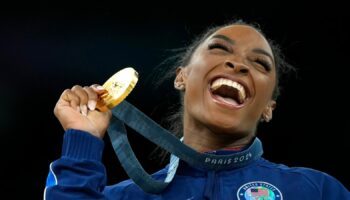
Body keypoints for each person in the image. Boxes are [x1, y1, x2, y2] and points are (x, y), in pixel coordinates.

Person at [44, 20, 350, 199]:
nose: (238, 64)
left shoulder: (316, 190)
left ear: (268, 108)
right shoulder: (125, 197)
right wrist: (81, 140)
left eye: (260, 64)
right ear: (182, 77)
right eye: (219, 48)